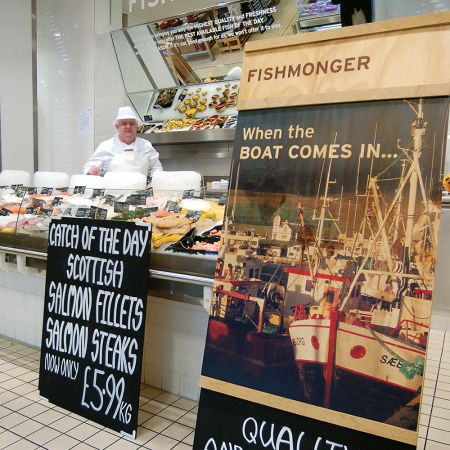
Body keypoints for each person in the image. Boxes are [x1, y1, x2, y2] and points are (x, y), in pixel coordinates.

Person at [83, 106, 163, 178]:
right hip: (112, 192)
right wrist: (91, 171)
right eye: (124, 123)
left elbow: (156, 168)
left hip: (141, 192)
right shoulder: (107, 146)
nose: (128, 127)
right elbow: (89, 168)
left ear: (136, 127)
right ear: (117, 126)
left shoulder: (145, 145)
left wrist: (153, 183)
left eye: (132, 123)